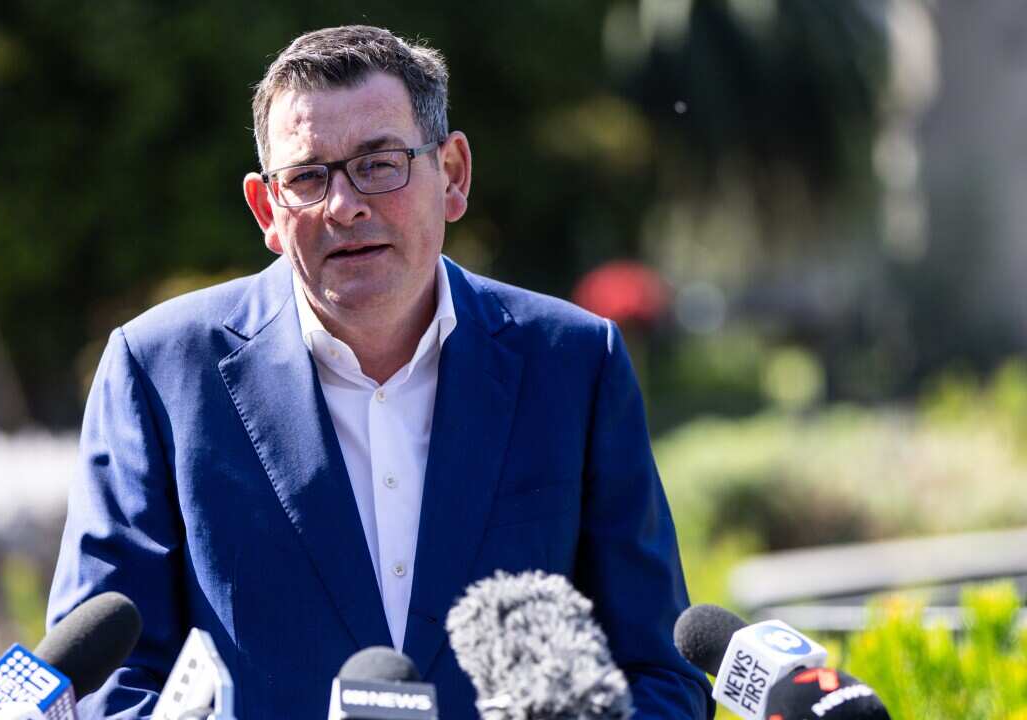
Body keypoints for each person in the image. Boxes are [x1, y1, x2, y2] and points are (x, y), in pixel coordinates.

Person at [48, 25, 711, 720]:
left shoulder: (574, 362)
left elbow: (659, 669)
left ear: (452, 175)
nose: (345, 205)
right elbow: (105, 683)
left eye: (380, 163)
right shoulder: (161, 368)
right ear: (268, 209)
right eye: (307, 177)